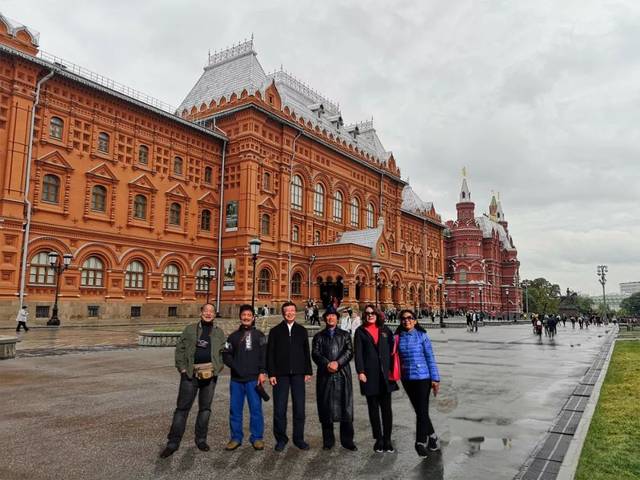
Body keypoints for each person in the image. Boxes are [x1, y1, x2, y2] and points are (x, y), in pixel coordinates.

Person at [160, 303, 225, 458]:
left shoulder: (219, 332)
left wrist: (217, 369)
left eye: (211, 312)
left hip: (210, 376)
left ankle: (201, 439)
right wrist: (182, 368)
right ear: (201, 313)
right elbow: (180, 349)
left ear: (214, 315)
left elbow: (223, 352)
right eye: (206, 311)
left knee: (205, 409)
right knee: (182, 409)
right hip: (190, 374)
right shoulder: (190, 329)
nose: (208, 314)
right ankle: (173, 443)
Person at [266, 301, 313, 451]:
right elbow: (270, 354)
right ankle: (281, 439)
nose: (290, 313)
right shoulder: (275, 331)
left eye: (292, 310)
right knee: (280, 408)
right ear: (283, 313)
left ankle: (299, 438)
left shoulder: (301, 330)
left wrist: (308, 371)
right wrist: (271, 373)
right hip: (280, 375)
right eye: (287, 311)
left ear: (295, 312)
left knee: (299, 408)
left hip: (299, 374)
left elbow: (306, 352)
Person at [222, 304, 267, 451]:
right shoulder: (233, 336)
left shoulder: (259, 335)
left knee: (256, 409)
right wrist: (235, 366)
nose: (246, 317)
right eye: (244, 315)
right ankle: (236, 438)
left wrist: (262, 372)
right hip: (236, 380)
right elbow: (226, 355)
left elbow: (264, 355)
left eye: (249, 315)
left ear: (253, 318)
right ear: (240, 317)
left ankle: (257, 438)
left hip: (254, 379)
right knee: (235, 409)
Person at [396, 309, 441, 457]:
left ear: (415, 321)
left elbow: (430, 358)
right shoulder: (397, 337)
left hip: (423, 378)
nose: (406, 320)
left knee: (421, 410)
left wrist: (435, 379)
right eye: (403, 318)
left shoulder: (422, 336)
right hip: (407, 378)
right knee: (420, 411)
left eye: (410, 318)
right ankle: (433, 437)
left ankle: (420, 442)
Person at [354, 304, 397, 453]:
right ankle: (378, 439)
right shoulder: (360, 331)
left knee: (387, 409)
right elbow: (358, 353)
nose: (370, 315)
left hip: (386, 375)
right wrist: (360, 371)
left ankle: (388, 439)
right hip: (369, 375)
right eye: (367, 313)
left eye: (373, 313)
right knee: (373, 409)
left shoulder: (385, 330)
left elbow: (393, 351)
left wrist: (393, 370)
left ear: (378, 315)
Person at [312, 309, 357, 451]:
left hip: (342, 373)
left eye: (333, 316)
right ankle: (328, 441)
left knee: (346, 407)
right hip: (325, 375)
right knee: (326, 408)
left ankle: (347, 441)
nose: (330, 318)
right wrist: (327, 364)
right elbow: (315, 353)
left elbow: (349, 351)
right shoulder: (319, 336)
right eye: (328, 316)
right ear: (325, 319)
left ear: (337, 319)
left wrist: (338, 363)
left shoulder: (345, 335)